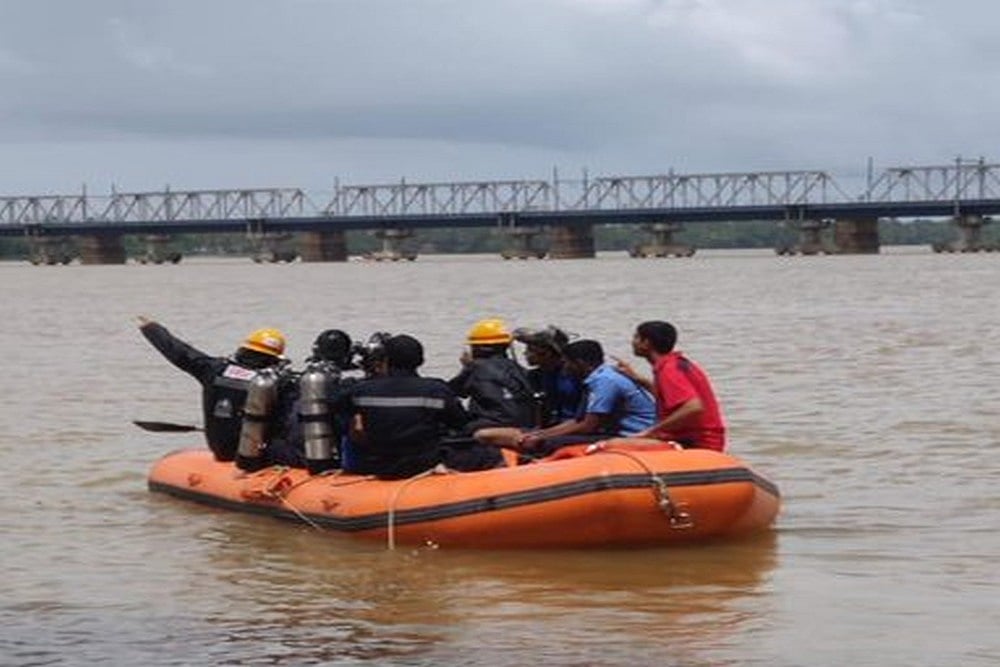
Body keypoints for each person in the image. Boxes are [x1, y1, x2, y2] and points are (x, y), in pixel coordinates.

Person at [330, 334, 502, 479]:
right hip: (423, 464)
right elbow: (460, 424)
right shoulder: (436, 389)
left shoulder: (361, 390)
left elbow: (336, 410)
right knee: (489, 453)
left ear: (386, 361)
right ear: (421, 361)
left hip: (379, 465)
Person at [137, 316, 287, 462]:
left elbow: (179, 352)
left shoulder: (212, 369)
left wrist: (152, 329)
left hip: (221, 450)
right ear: (275, 358)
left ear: (243, 349)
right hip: (257, 454)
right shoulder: (276, 381)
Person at [517, 339, 656, 454]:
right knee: (543, 438)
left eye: (567, 363)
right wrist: (541, 433)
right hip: (616, 431)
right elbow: (579, 420)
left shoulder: (605, 381)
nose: (564, 368)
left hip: (632, 433)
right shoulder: (597, 378)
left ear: (580, 363)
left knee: (550, 443)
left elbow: (589, 425)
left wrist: (543, 437)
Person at [616, 320, 727, 451]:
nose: (632, 342)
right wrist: (638, 378)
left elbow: (693, 407)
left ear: (646, 343)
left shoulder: (669, 369)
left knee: (613, 446)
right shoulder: (674, 363)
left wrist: (651, 431)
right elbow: (668, 398)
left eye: (636, 337)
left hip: (697, 442)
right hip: (692, 438)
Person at [448, 318, 536, 432]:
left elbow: (451, 391)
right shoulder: (520, 369)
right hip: (525, 427)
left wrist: (467, 367)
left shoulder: (476, 367)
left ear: (479, 348)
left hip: (489, 425)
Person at [512, 325, 583, 427]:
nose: (525, 354)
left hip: (570, 425)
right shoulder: (535, 375)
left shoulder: (573, 375)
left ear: (546, 353)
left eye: (530, 350)